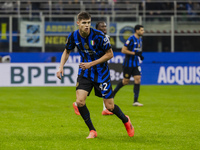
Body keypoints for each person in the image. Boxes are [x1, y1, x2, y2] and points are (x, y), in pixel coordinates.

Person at [57, 11, 134, 139]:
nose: (86, 25)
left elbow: (110, 54)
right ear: (78, 23)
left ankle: (125, 120)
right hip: (85, 72)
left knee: (109, 107)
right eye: (84, 23)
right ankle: (92, 131)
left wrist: (91, 64)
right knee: (80, 102)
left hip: (102, 74)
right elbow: (66, 51)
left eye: (88, 23)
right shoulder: (73, 36)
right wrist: (60, 67)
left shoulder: (99, 36)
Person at [73, 21, 113, 116]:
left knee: (104, 91)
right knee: (100, 91)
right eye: (102, 27)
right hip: (93, 70)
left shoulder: (106, 38)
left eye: (105, 27)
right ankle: (77, 103)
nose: (104, 29)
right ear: (96, 28)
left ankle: (105, 109)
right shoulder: (93, 37)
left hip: (100, 69)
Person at [112, 25, 144, 107]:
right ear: (136, 30)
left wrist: (139, 55)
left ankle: (135, 101)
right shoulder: (131, 39)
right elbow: (123, 50)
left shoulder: (140, 39)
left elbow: (137, 51)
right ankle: (113, 93)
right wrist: (134, 53)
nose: (143, 32)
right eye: (141, 30)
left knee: (138, 79)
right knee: (125, 81)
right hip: (128, 64)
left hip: (136, 63)